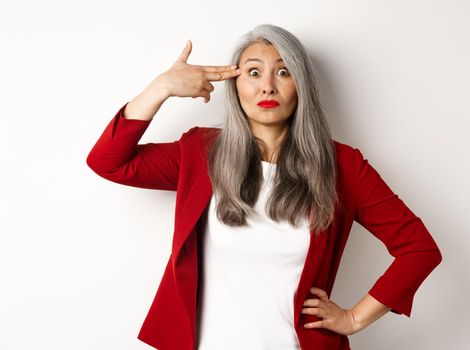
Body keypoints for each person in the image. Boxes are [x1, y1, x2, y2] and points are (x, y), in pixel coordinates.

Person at [86, 24, 442, 350]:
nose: (267, 86)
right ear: (236, 83)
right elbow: (110, 162)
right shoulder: (201, 153)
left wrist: (354, 317)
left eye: (283, 72)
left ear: (302, 84)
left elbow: (418, 249)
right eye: (253, 72)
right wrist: (161, 88)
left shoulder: (343, 166)